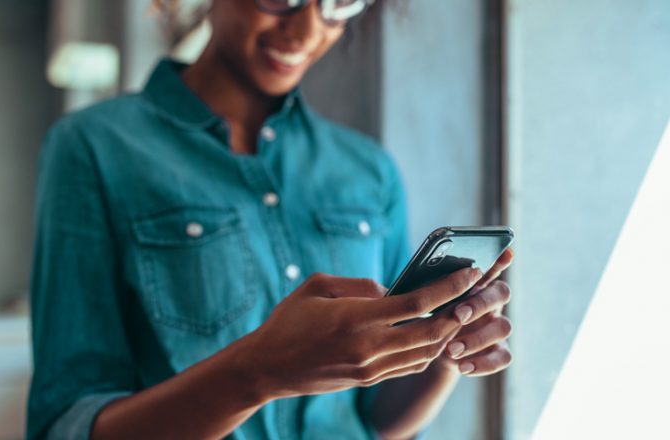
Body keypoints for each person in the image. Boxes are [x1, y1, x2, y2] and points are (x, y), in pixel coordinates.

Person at [27, 0, 514, 439]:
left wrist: (443, 346)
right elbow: (67, 424)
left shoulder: (367, 169)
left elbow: (377, 418)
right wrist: (255, 373)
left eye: (337, 3)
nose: (306, 30)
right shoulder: (94, 147)